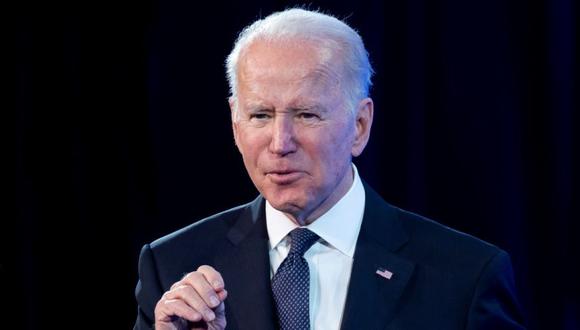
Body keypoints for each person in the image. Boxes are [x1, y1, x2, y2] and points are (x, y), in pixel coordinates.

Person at [134, 8, 525, 330]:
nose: (280, 142)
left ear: (360, 126)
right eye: (260, 115)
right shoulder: (172, 266)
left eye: (306, 114)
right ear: (235, 125)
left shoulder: (464, 278)